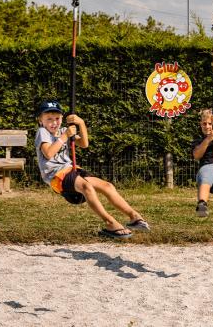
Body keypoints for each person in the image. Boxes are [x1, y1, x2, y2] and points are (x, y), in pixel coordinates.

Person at [34, 100, 150, 238]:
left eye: (57, 118)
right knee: (86, 187)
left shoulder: (63, 130)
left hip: (70, 169)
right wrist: (65, 136)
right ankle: (110, 223)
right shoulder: (43, 132)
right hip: (55, 175)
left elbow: (84, 144)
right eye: (49, 119)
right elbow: (48, 153)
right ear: (40, 120)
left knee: (107, 186)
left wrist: (81, 123)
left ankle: (134, 216)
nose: (54, 122)